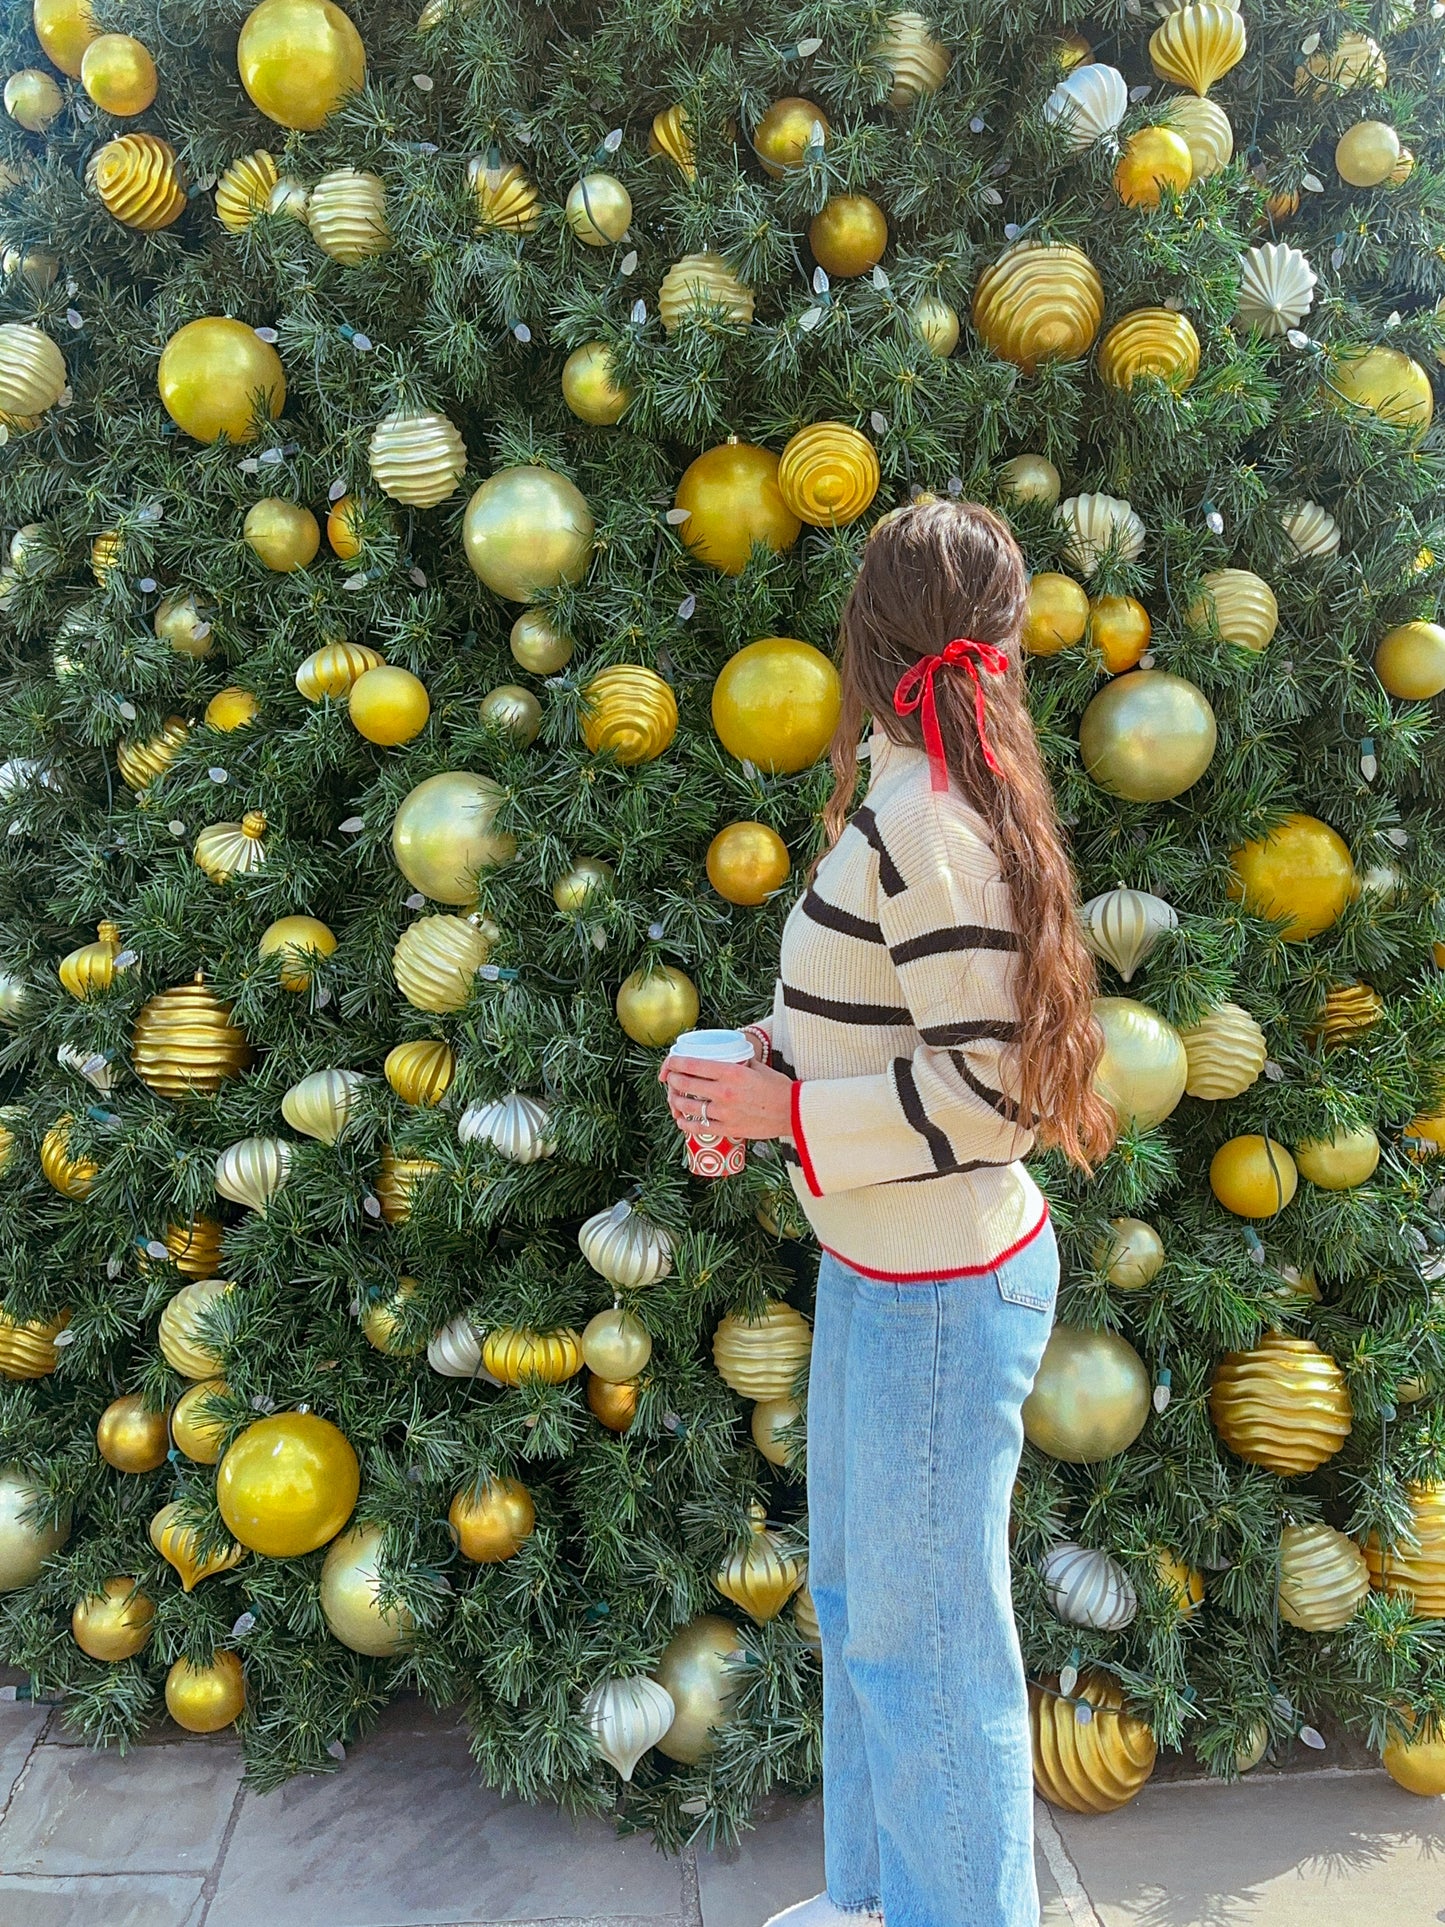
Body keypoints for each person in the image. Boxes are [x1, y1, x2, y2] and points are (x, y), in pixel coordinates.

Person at [660, 498, 1113, 1927]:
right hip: (883, 1273)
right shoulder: (909, 790)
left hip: (941, 1294)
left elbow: (996, 1103)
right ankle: (873, 1903)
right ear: (1000, 648)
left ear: (863, 638)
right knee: (869, 1617)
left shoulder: (926, 820)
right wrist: (766, 1057)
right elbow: (887, 1012)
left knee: (930, 1654)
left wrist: (782, 1115)